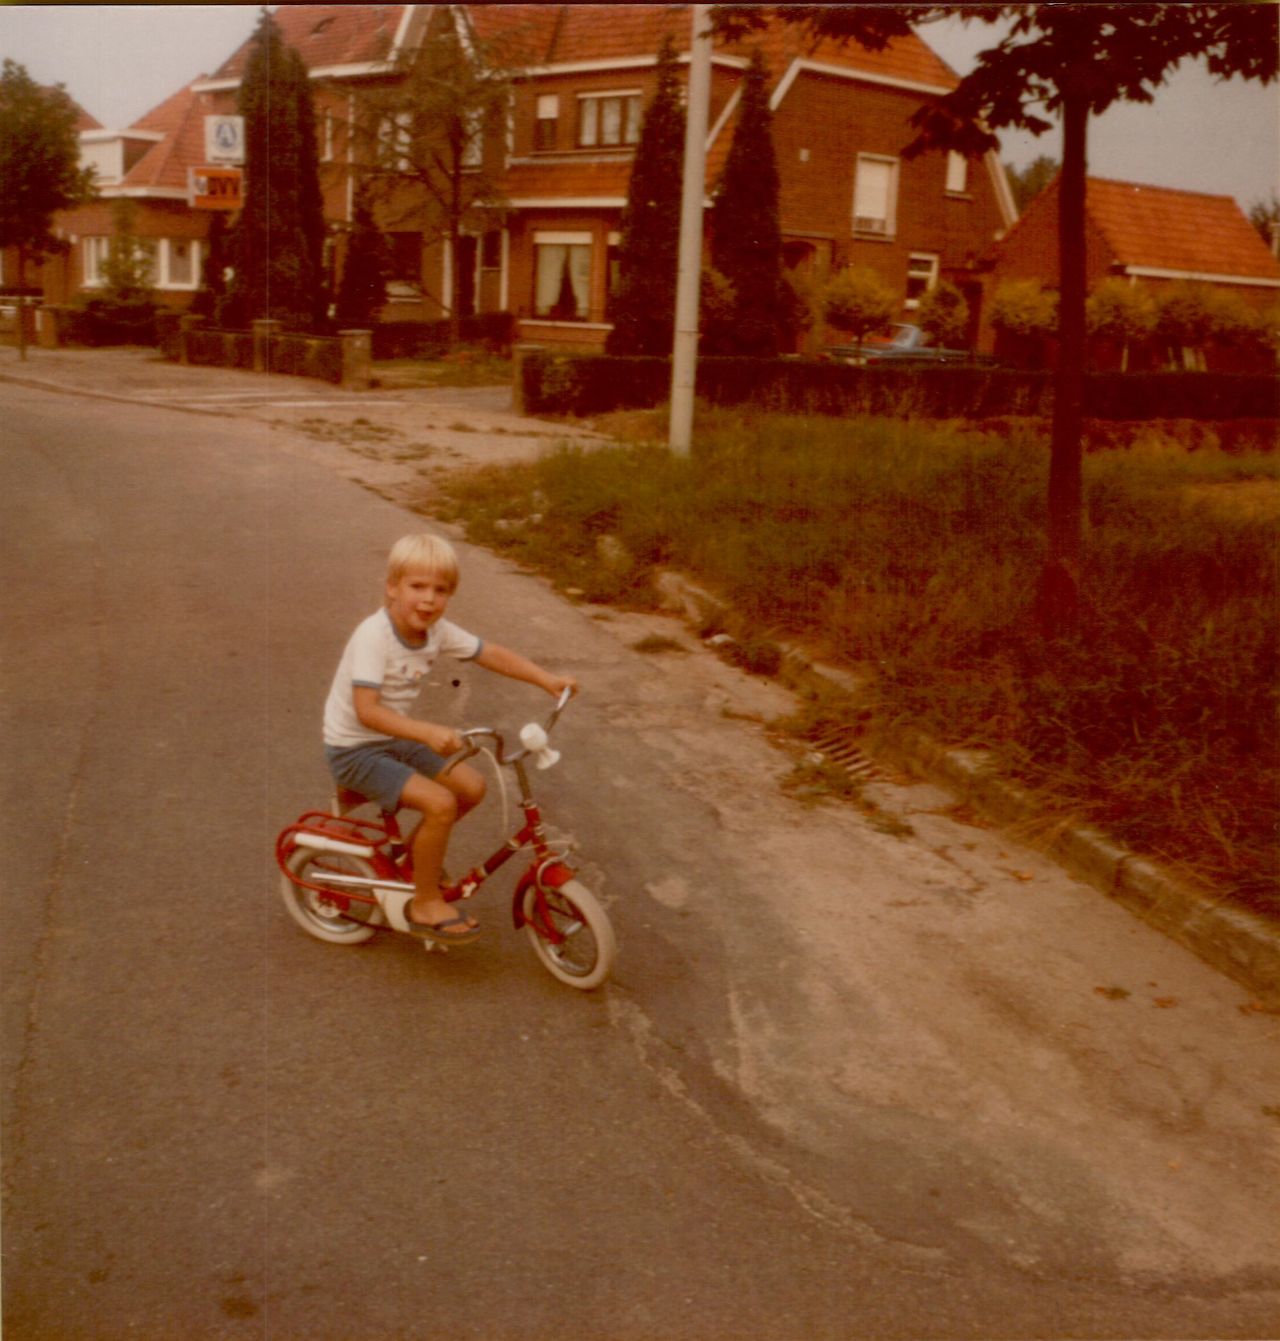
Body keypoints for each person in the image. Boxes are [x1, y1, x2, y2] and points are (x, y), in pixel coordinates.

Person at [323, 533, 576, 944]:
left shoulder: (436, 630)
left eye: (440, 590)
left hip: (389, 738)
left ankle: (414, 859)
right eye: (417, 587)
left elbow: (489, 652)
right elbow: (366, 711)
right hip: (353, 749)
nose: (428, 600)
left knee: (471, 788)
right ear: (392, 587)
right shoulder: (374, 636)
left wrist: (546, 680)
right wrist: (428, 730)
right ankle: (424, 904)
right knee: (440, 804)